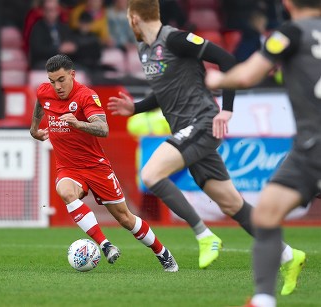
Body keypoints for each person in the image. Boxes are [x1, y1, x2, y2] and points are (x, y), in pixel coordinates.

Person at [107, 0, 304, 290]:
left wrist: (227, 109)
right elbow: (163, 92)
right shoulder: (145, 50)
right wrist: (135, 108)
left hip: (203, 122)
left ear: (135, 18)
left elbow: (227, 60)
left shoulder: (176, 38)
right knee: (232, 204)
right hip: (186, 129)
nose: (128, 25)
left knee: (150, 175)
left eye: (128, 19)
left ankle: (204, 235)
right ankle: (289, 255)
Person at [205, 0, 319, 305]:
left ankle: (264, 299)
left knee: (267, 214)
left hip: (314, 146)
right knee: (268, 209)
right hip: (311, 148)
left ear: (287, 4)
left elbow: (246, 76)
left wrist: (218, 80)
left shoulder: (288, 34)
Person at [30, 54, 179, 272]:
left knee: (125, 219)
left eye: (61, 79)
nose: (57, 86)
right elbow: (40, 103)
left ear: (72, 74)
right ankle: (105, 244)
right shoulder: (45, 91)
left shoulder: (86, 96)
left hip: (96, 167)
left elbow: (103, 129)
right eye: (53, 81)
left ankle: (162, 253)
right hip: (68, 167)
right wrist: (34, 129)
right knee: (65, 191)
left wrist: (78, 123)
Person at [28, 0, 76, 69]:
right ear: (43, 11)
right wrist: (58, 49)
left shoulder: (64, 27)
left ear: (58, 10)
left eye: (53, 9)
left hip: (63, 63)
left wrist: (72, 47)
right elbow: (37, 50)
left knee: (80, 69)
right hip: (44, 63)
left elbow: (72, 43)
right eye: (47, 10)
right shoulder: (37, 28)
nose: (50, 13)